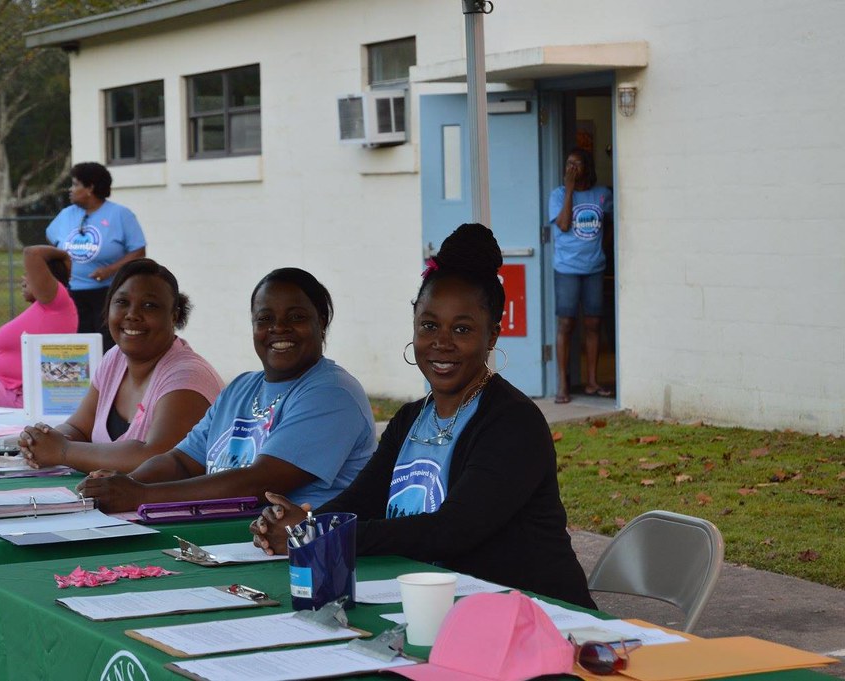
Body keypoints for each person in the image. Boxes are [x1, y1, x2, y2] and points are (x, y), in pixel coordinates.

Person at [249, 225, 596, 609]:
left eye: (462, 329)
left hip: (536, 618)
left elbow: (451, 531)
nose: (441, 343)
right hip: (441, 610)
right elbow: (359, 501)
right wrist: (296, 524)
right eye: (429, 326)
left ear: (492, 335)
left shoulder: (513, 423)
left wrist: (324, 536)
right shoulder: (411, 418)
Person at [73, 267, 377, 514]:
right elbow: (180, 461)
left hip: (296, 554)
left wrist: (140, 495)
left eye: (296, 317)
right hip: (226, 540)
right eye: (265, 319)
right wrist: (122, 485)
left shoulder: (332, 393)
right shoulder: (241, 388)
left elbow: (258, 483)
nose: (278, 328)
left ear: (321, 322)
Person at [19, 258, 223, 474]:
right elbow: (78, 428)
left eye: (149, 305)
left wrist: (63, 451)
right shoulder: (114, 359)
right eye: (122, 302)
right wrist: (42, 441)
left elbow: (156, 459)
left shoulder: (188, 375)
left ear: (174, 316)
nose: (132, 314)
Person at [0, 245, 77, 407]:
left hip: (18, 395)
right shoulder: (43, 310)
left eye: (29, 274)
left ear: (46, 279)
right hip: (4, 388)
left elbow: (32, 253)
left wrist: (65, 256)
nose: (23, 280)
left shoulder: (57, 303)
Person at [45, 162, 146, 351]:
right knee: (78, 347)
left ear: (90, 188)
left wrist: (109, 270)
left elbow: (138, 252)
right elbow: (52, 243)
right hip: (72, 293)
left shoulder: (120, 215)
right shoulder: (66, 215)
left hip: (108, 293)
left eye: (75, 184)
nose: (70, 189)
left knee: (108, 344)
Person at [550, 147, 614, 403]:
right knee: (566, 324)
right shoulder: (557, 195)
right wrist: (569, 189)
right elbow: (564, 224)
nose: (571, 169)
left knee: (593, 324)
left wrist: (603, 248)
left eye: (576, 164)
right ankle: (563, 385)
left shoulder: (602, 195)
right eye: (568, 164)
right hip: (567, 269)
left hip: (594, 269)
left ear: (587, 166)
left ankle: (591, 382)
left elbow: (611, 224)